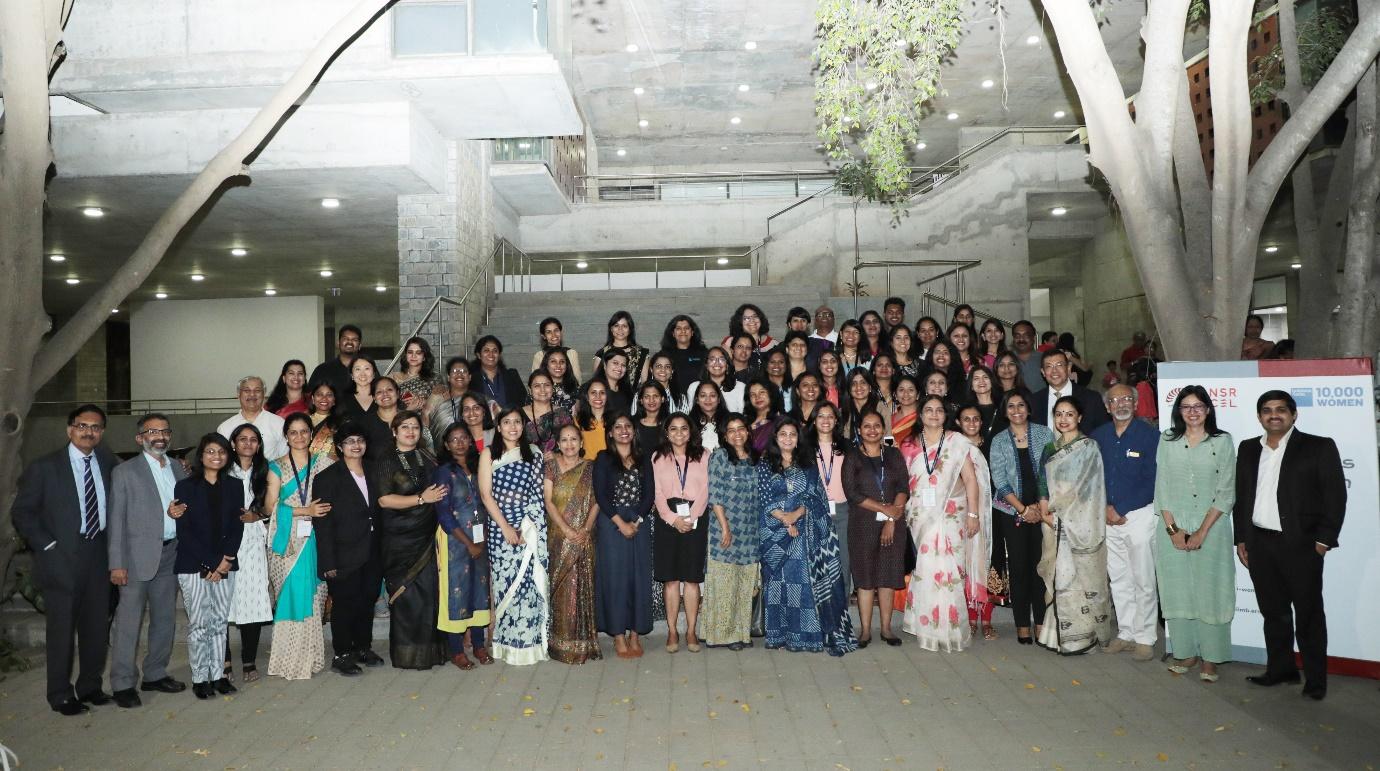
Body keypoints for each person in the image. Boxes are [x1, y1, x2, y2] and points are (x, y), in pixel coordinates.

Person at [1235, 390, 1346, 700]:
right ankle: (1281, 670)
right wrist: (1241, 539)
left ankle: (1315, 681)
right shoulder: (1247, 449)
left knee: (1309, 615)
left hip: (1302, 546)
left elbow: (1335, 498)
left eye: (1281, 409)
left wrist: (1322, 542)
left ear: (1293, 414)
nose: (1274, 415)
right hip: (1260, 544)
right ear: (1259, 417)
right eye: (1267, 410)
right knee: (1274, 612)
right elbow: (1242, 497)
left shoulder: (1318, 448)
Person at [13, 404, 119, 715]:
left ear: (102, 432)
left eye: (96, 427)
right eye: (83, 426)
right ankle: (59, 694)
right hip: (61, 556)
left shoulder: (106, 461)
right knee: (61, 629)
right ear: (69, 429)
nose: (89, 432)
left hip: (98, 553)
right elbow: (23, 512)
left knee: (96, 627)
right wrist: (47, 545)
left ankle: (90, 686)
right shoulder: (45, 467)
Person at [1150, 386, 1236, 681]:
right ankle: (1185, 652)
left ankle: (1211, 658)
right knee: (1177, 589)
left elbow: (1226, 491)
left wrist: (1201, 532)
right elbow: (1161, 488)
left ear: (1208, 409)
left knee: (1211, 591)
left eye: (1198, 406)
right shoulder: (1168, 440)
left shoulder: (1222, 441)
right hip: (1173, 526)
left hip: (1212, 527)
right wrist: (1173, 530)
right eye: (1186, 407)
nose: (1193, 411)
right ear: (1179, 412)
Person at [757, 418, 856, 656]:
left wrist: (796, 515)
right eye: (783, 434)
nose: (788, 438)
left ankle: (808, 636)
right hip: (774, 533)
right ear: (775, 437)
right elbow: (762, 498)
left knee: (801, 583)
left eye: (793, 434)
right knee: (777, 583)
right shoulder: (765, 464)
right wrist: (784, 519)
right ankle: (779, 635)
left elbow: (816, 496)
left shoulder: (808, 464)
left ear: (798, 438)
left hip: (803, 532)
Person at [108, 413, 188, 709]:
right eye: (152, 431)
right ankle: (122, 683)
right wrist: (117, 564)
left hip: (171, 554)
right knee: (128, 623)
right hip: (135, 558)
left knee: (164, 620)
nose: (160, 436)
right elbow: (115, 520)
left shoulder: (180, 469)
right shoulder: (125, 472)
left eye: (165, 431)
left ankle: (155, 673)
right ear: (140, 438)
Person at [902, 397, 990, 651]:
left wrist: (973, 515)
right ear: (920, 414)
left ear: (945, 415)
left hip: (952, 514)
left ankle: (951, 629)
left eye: (939, 410)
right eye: (928, 410)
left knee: (951, 571)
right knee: (927, 569)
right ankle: (928, 629)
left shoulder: (956, 442)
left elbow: (971, 480)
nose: (934, 414)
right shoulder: (909, 444)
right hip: (922, 515)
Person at [1034, 396, 1114, 654]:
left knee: (1082, 578)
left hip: (1081, 523)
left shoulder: (1089, 448)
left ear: (1079, 417)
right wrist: (1045, 506)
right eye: (1059, 414)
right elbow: (1042, 482)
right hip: (1054, 521)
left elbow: (1091, 488)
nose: (1063, 419)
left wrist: (1067, 513)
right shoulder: (1050, 449)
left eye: (1069, 414)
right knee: (1060, 578)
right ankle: (1057, 636)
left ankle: (1084, 639)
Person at [1092, 384, 1161, 661]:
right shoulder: (1099, 436)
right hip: (1106, 516)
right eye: (1114, 400)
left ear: (1135, 404)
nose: (1120, 404)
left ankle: (1145, 637)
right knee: (1119, 577)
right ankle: (1127, 632)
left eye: (1126, 399)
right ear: (1107, 407)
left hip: (1139, 515)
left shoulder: (1150, 436)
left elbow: (1153, 479)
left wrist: (1120, 508)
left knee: (1143, 577)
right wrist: (1107, 508)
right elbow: (1093, 477)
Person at [172, 433, 244, 699]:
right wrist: (212, 562)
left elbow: (237, 526)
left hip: (226, 564)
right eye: (211, 451)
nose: (217, 456)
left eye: (222, 452)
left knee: (219, 622)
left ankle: (218, 675)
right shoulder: (185, 487)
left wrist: (225, 560)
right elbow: (185, 532)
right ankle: (200, 677)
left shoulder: (235, 486)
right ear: (201, 456)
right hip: (193, 564)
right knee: (199, 623)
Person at [313, 423, 387, 676]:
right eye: (349, 441)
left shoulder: (375, 470)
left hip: (373, 551)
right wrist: (327, 561)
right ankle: (342, 654)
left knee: (367, 601)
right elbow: (322, 523)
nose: (356, 445)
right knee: (345, 605)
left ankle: (362, 648)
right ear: (339, 447)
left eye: (360, 440)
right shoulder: (327, 477)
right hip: (343, 554)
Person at [479, 408, 549, 665]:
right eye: (506, 422)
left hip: (530, 529)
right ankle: (506, 646)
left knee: (528, 586)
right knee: (505, 584)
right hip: (501, 530)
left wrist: (527, 526)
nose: (512, 427)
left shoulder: (535, 453)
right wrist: (507, 527)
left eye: (517, 422)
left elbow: (538, 494)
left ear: (524, 426)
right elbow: (486, 495)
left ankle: (531, 645)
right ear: (498, 427)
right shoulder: (489, 454)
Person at [264, 412, 331, 680]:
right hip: (287, 541)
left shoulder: (323, 463)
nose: (300, 437)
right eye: (294, 432)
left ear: (312, 434)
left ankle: (311, 657)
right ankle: (288, 659)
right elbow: (270, 506)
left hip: (316, 537)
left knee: (314, 598)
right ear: (286, 436)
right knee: (290, 598)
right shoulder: (277, 466)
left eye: (305, 431)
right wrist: (306, 509)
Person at [989, 391, 1054, 645]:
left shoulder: (1044, 434)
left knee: (1040, 567)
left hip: (1043, 510)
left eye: (1021, 405)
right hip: (1011, 512)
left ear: (1028, 409)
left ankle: (1041, 622)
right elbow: (1000, 481)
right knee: (1018, 568)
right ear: (1005, 412)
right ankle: (1021, 625)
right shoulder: (999, 441)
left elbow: (1051, 471)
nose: (1016, 410)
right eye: (1011, 406)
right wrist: (1023, 510)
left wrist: (1040, 507)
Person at [843, 411, 909, 646]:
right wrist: (884, 508)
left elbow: (903, 487)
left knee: (888, 575)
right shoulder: (852, 457)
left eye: (877, 426)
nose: (872, 430)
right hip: (862, 524)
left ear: (883, 429)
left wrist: (892, 517)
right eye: (866, 426)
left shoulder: (894, 454)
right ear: (859, 430)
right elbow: (852, 493)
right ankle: (865, 631)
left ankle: (888, 629)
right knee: (865, 578)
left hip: (893, 524)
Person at [593, 414, 655, 658]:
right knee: (615, 580)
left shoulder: (644, 459)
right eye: (617, 427)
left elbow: (649, 494)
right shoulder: (603, 459)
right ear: (610, 433)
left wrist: (636, 521)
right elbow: (601, 495)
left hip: (639, 523)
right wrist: (620, 522)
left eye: (628, 426)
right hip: (611, 523)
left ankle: (635, 635)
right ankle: (618, 635)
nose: (623, 430)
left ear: (634, 431)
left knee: (638, 579)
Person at [433, 424, 493, 670]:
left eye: (463, 438)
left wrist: (483, 538)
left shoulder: (480, 467)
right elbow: (443, 512)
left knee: (479, 591)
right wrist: (468, 543)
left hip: (480, 538)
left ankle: (479, 645)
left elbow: (488, 501)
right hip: (455, 540)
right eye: (453, 439)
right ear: (446, 444)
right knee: (455, 593)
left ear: (470, 440)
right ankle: (456, 650)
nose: (459, 443)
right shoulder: (444, 472)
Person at [649, 413, 710, 653]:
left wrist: (692, 516)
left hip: (696, 516)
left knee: (692, 578)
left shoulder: (704, 455)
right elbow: (656, 491)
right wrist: (673, 519)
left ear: (690, 431)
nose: (679, 433)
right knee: (672, 578)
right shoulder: (658, 457)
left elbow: (706, 489)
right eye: (673, 429)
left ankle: (692, 630)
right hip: (667, 520)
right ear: (666, 432)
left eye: (684, 428)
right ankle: (673, 630)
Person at [544, 423, 602, 664]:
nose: (569, 444)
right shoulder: (550, 467)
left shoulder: (591, 468)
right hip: (559, 535)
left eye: (574, 440)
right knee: (561, 588)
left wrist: (586, 529)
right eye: (564, 440)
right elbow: (548, 502)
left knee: (582, 586)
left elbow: (598, 501)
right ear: (558, 444)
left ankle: (584, 644)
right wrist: (567, 530)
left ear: (581, 443)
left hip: (584, 536)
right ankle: (559, 645)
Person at [704, 415, 761, 650]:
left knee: (745, 584)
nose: (737, 434)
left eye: (741, 429)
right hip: (724, 528)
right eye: (731, 430)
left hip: (751, 530)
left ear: (748, 432)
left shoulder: (757, 459)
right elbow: (715, 495)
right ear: (725, 436)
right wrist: (725, 527)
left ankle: (740, 633)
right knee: (725, 582)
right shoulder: (720, 457)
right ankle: (723, 635)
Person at [224, 424, 272, 684]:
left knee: (252, 602)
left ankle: (249, 660)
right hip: (223, 541)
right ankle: (224, 660)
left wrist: (259, 515)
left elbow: (272, 504)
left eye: (253, 440)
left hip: (253, 539)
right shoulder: (221, 468)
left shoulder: (265, 471)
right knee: (223, 601)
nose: (247, 444)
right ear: (233, 443)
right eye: (242, 439)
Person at [956, 402, 1002, 638]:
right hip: (962, 514)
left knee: (986, 563)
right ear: (958, 422)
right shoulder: (955, 448)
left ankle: (986, 619)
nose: (972, 423)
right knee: (966, 563)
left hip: (992, 515)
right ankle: (970, 618)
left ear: (981, 423)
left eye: (975, 419)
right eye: (966, 419)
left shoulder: (992, 447)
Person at [810, 403, 852, 591]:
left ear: (836, 420)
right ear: (814, 419)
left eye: (830, 416)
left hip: (842, 511)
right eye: (821, 416)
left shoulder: (847, 447)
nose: (825, 420)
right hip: (814, 511)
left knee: (843, 562)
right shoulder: (805, 448)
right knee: (817, 564)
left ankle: (841, 615)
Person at [1030, 349, 1110, 432]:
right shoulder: (1034, 401)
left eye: (1059, 365)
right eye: (1049, 366)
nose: (1054, 371)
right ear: (1043, 372)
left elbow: (1103, 432)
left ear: (1068, 368)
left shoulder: (1091, 398)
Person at [217, 375, 287, 460]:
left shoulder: (279, 423)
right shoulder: (225, 428)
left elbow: (285, 457)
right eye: (247, 390)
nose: (252, 394)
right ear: (238, 394)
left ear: (264, 394)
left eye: (257, 390)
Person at [592, 310, 650, 389]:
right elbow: (596, 383)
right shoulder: (601, 354)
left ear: (630, 330)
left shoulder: (641, 353)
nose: (620, 329)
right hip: (608, 399)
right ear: (611, 329)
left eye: (624, 326)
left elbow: (645, 384)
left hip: (633, 399)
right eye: (616, 325)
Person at [426, 357, 476, 449]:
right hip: (442, 454)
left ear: (469, 377)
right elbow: (425, 430)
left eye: (463, 371)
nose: (459, 374)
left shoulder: (478, 401)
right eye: (455, 371)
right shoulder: (437, 398)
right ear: (448, 377)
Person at [522, 370, 573, 455]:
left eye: (547, 385)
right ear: (530, 390)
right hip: (527, 465)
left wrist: (557, 456)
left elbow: (571, 443)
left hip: (559, 464)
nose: (542, 390)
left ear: (552, 388)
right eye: (537, 386)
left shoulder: (562, 413)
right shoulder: (518, 415)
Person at [473, 335, 527, 410]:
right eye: (486, 350)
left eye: (495, 351)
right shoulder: (471, 380)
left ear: (499, 355)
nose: (491, 354)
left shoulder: (512, 375)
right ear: (479, 355)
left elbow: (524, 402)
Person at [686, 346, 745, 413]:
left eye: (722, 359)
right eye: (712, 359)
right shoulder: (694, 387)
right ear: (706, 365)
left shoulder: (740, 387)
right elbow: (692, 416)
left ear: (727, 365)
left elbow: (742, 418)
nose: (717, 363)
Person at [309, 324, 362, 398]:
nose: (349, 342)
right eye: (345, 339)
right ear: (338, 343)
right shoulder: (322, 369)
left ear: (359, 346)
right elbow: (310, 396)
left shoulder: (367, 370)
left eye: (354, 340)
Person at [661, 315, 708, 395]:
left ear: (692, 332)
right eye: (678, 328)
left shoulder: (704, 353)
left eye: (686, 328)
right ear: (673, 333)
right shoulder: (664, 355)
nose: (683, 331)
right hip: (672, 399)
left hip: (698, 399)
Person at [394, 336, 443, 412]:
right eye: (410, 352)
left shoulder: (435, 378)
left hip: (428, 419)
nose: (413, 356)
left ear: (424, 357)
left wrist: (423, 403)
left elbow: (442, 402)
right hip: (402, 419)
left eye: (418, 353)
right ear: (406, 355)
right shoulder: (394, 377)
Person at [361, 376, 402, 462]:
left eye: (389, 390)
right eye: (379, 392)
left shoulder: (410, 419)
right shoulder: (364, 424)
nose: (385, 394)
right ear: (374, 398)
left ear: (398, 393)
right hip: (374, 472)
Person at [532, 317, 584, 383]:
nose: (553, 335)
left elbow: (578, 380)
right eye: (548, 332)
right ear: (543, 336)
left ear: (561, 332)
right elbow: (534, 381)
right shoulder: (539, 355)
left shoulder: (571, 353)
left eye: (556, 330)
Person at [305, 380, 341, 462]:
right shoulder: (304, 421)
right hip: (303, 468)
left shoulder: (340, 423)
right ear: (313, 399)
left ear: (334, 400)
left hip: (330, 469)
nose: (324, 398)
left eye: (329, 395)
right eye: (319, 394)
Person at [745, 377, 783, 454]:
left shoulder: (780, 422)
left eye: (762, 392)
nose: (757, 397)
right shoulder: (744, 423)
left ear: (771, 394)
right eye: (753, 394)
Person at [575, 380, 610, 456]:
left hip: (609, 465)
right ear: (587, 397)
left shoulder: (615, 420)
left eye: (602, 393)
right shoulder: (577, 421)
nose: (598, 396)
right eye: (593, 393)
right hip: (586, 465)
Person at [690, 380, 728, 450]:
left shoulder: (729, 421)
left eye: (712, 395)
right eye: (703, 395)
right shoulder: (689, 424)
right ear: (697, 400)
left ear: (719, 399)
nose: (708, 399)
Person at [542, 348, 582, 413]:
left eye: (562, 362)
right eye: (553, 361)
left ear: (567, 365)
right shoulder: (538, 388)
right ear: (546, 365)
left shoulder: (576, 389)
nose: (558, 365)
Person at [635, 380, 670, 450]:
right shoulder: (633, 424)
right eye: (647, 396)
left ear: (662, 399)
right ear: (641, 400)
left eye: (656, 396)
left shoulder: (670, 424)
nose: (651, 400)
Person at [1010, 320, 1045, 390]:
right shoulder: (1006, 359)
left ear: (1034, 338)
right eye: (1017, 336)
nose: (1021, 339)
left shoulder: (1044, 358)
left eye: (1026, 335)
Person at [888, 375, 920, 446]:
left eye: (911, 390)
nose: (906, 394)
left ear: (918, 394)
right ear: (895, 395)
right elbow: (887, 445)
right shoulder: (889, 420)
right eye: (901, 390)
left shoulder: (923, 417)